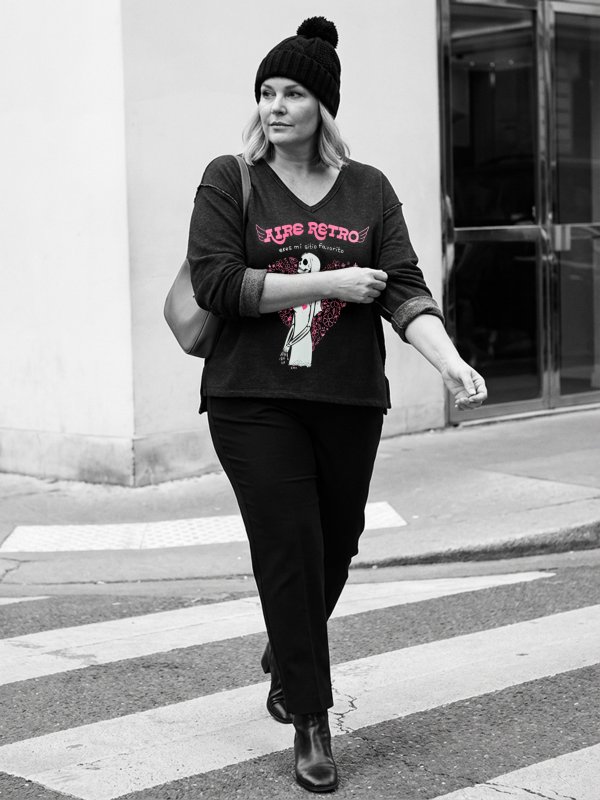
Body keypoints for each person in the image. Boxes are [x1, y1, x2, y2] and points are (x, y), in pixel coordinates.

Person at [186, 16, 487, 793]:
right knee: (289, 545)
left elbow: (404, 287)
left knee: (338, 543)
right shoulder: (231, 178)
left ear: (324, 105)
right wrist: (329, 282)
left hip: (348, 396)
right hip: (252, 396)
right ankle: (310, 718)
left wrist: (450, 360)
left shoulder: (369, 189)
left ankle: (288, 648)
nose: (275, 106)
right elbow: (218, 282)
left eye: (292, 93)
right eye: (266, 92)